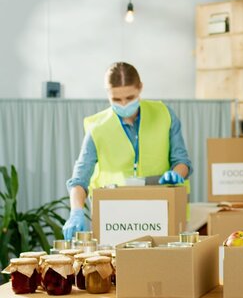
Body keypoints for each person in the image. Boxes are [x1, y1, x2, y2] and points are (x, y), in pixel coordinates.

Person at [62, 62, 193, 240]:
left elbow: (181, 161)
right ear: (108, 94)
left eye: (130, 97)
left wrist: (176, 174)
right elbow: (79, 178)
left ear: (140, 88)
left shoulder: (164, 114)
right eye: (116, 99)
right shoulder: (97, 127)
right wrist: (76, 211)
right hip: (115, 220)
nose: (123, 104)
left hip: (162, 212)